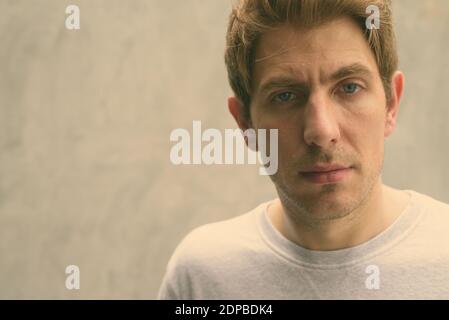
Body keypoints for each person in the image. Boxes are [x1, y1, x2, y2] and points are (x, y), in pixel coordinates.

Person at [158, 0, 449, 299]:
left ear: (391, 104)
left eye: (349, 88)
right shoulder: (203, 278)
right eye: (285, 96)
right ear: (246, 124)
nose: (321, 131)